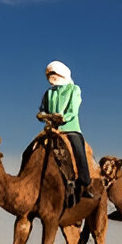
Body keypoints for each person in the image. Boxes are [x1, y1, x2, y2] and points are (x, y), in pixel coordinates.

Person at [37, 60, 91, 200]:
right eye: (49, 76)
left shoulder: (74, 89)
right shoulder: (48, 93)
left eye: (53, 75)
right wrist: (43, 116)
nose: (51, 79)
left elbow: (73, 110)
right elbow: (42, 109)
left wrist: (62, 118)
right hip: (51, 129)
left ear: (61, 74)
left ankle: (85, 183)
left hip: (70, 128)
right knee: (32, 149)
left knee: (78, 150)